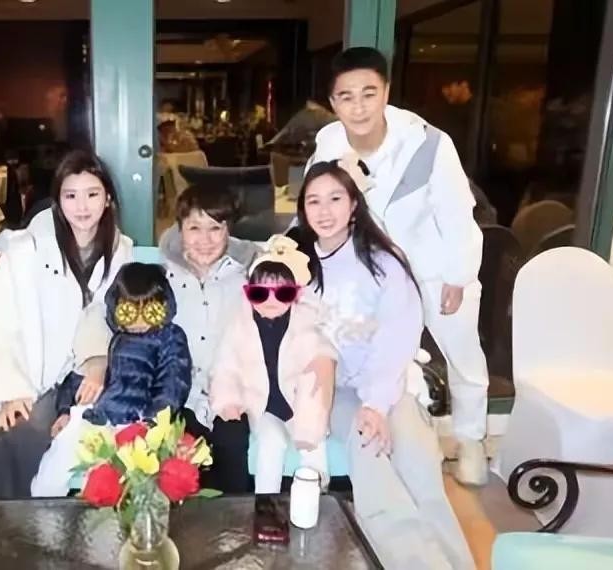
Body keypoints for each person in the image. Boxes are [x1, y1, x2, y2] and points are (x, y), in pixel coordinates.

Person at [307, 46, 489, 485]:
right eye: (346, 97)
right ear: (333, 102)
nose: (358, 107)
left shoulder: (427, 143)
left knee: (462, 355)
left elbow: (457, 214)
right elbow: (315, 206)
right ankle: (409, 440)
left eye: (369, 93)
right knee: (389, 356)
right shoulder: (328, 143)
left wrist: (458, 275)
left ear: (386, 92)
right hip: (373, 276)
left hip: (433, 269)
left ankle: (471, 440)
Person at [288, 161, 475, 570]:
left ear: (354, 204)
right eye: (313, 201)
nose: (324, 211)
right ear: (302, 210)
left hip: (386, 383)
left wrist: (376, 403)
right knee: (370, 451)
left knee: (420, 462)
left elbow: (397, 337)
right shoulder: (297, 265)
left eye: (335, 198)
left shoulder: (384, 261)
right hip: (332, 390)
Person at [0, 150, 134, 498]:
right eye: (70, 195)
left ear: (107, 198)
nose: (82, 206)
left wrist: (96, 362)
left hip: (60, 377)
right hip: (6, 368)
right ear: (58, 201)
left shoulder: (118, 251)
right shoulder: (27, 248)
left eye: (92, 194)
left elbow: (103, 316)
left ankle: (23, 525)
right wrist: (9, 389)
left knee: (31, 436)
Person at [72, 185, 260, 492]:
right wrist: (97, 363)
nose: (205, 239)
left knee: (232, 446)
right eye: (194, 228)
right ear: (180, 229)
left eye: (215, 228)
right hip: (173, 396)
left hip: (230, 396)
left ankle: (233, 521)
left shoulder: (248, 277)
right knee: (173, 461)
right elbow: (101, 313)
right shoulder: (158, 276)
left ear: (229, 230)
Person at [31, 263, 192, 497]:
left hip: (136, 422)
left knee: (112, 481)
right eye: (128, 312)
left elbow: (173, 383)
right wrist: (65, 410)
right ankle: (43, 508)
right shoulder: (109, 334)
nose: (138, 321)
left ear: (164, 307)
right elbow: (80, 376)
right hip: (93, 416)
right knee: (57, 461)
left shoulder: (169, 338)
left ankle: (99, 514)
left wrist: (151, 422)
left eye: (151, 311)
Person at [209, 235, 336, 494]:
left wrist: (310, 422)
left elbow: (319, 373)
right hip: (262, 405)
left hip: (299, 404)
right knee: (270, 443)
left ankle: (315, 497)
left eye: (283, 293)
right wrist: (228, 401)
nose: (271, 300)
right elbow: (226, 367)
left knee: (314, 447)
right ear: (248, 293)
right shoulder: (239, 325)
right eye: (259, 293)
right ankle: (265, 501)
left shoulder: (307, 325)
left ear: (296, 294)